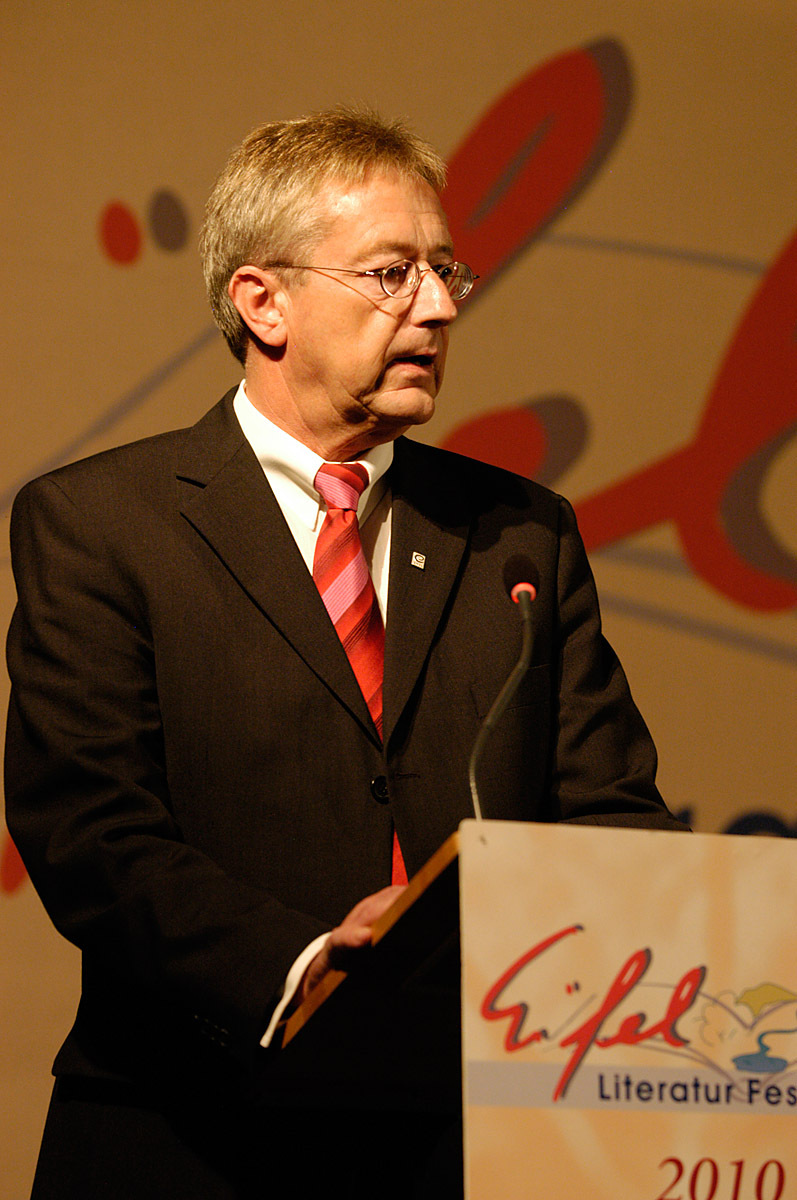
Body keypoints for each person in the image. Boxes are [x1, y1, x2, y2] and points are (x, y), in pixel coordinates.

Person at [5, 108, 684, 1199]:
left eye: (444, 271)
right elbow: (90, 835)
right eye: (390, 273)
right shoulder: (101, 523)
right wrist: (313, 964)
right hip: (190, 1138)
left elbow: (611, 819)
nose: (439, 306)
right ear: (262, 301)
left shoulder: (519, 533)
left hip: (471, 1144)